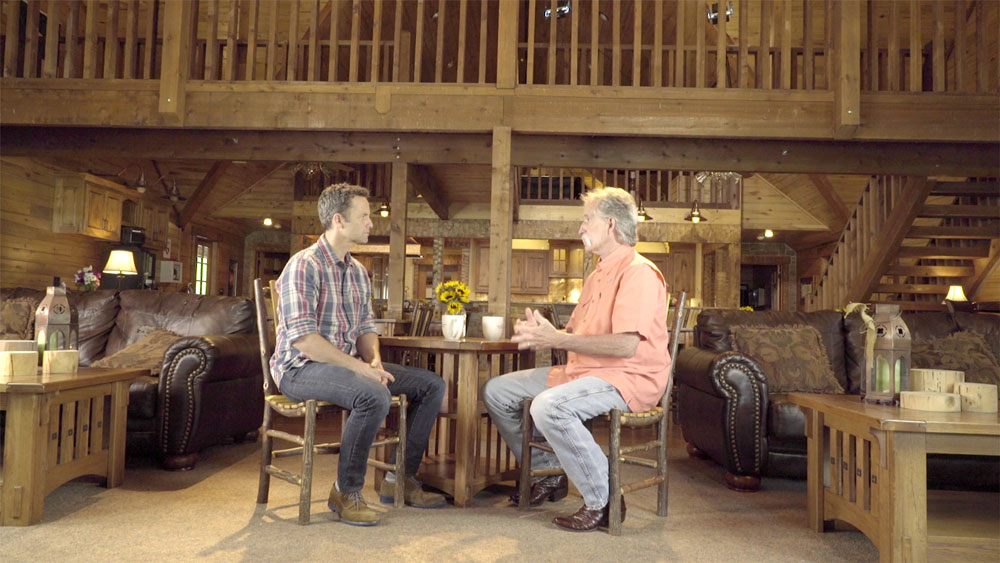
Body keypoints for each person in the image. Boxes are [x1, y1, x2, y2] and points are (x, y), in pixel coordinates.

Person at [483, 186, 670, 532]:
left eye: (587, 220)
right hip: (582, 371)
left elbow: (627, 346)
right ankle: (551, 474)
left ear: (611, 224)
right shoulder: (596, 274)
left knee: (549, 406)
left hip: (627, 378)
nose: (581, 228)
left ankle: (605, 498)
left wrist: (558, 338)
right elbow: (576, 337)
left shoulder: (639, 273)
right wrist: (545, 330)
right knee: (498, 391)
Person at [271, 183, 447, 527]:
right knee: (373, 393)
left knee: (432, 385)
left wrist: (375, 360)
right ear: (338, 220)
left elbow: (367, 328)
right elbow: (305, 340)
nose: (371, 223)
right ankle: (346, 491)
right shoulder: (303, 265)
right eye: (364, 216)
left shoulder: (358, 273)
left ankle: (400, 478)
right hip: (299, 369)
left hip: (343, 366)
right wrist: (362, 370)